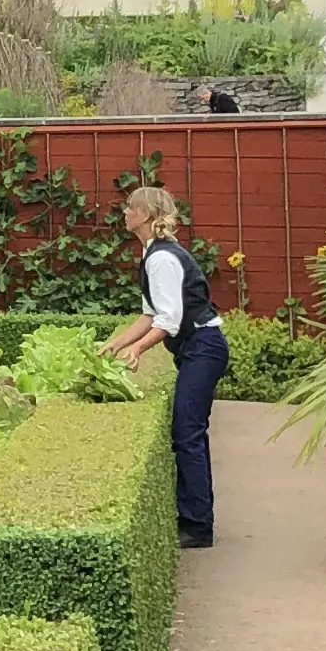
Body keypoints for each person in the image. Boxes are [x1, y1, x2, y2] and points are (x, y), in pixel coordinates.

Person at [98, 183, 226, 548]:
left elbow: (168, 320)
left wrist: (138, 349)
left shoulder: (162, 259)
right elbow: (149, 314)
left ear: (147, 216)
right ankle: (193, 518)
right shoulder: (153, 254)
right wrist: (116, 343)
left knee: (187, 433)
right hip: (198, 347)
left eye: (130, 208)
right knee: (188, 432)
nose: (124, 213)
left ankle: (198, 527)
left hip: (203, 347)